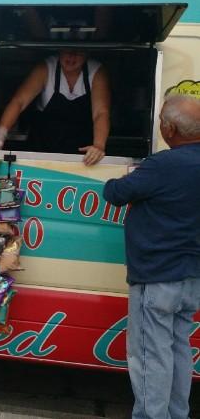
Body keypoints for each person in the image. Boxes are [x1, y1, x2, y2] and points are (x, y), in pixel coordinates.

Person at [102, 94, 200, 419]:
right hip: (192, 278)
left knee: (149, 357)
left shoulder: (163, 164)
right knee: (179, 349)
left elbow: (115, 193)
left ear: (169, 128)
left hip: (157, 277)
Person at [0, 49, 111, 166]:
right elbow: (19, 101)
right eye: (67, 51)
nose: (71, 56)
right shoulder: (46, 68)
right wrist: (0, 134)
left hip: (81, 153)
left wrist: (98, 145)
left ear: (87, 54)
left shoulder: (96, 71)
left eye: (78, 52)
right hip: (42, 146)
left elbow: (101, 112)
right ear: (59, 51)